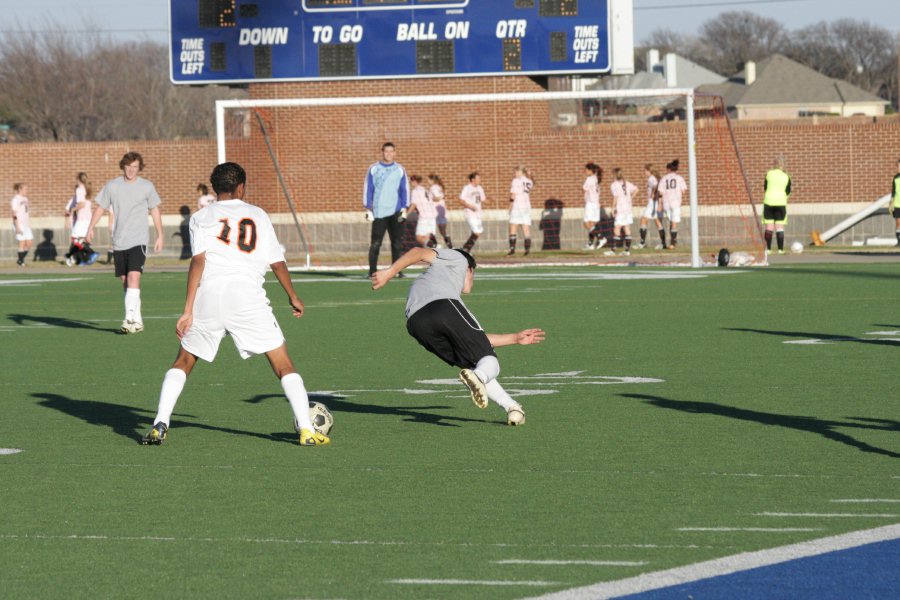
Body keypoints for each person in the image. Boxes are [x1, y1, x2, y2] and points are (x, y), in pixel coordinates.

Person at [140, 162, 329, 447]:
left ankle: (159, 424)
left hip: (209, 298)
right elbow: (277, 262)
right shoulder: (258, 215)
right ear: (241, 187)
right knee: (283, 364)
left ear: (215, 189)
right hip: (248, 299)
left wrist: (188, 310)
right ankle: (306, 431)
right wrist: (293, 296)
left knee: (184, 361)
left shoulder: (201, 217)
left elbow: (198, 262)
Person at [371, 246, 545, 426]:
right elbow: (418, 252)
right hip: (442, 306)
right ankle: (481, 378)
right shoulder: (458, 258)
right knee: (487, 362)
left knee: (474, 364)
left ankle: (512, 408)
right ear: (469, 269)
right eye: (473, 274)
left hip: (417, 325)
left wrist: (515, 338)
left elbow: (477, 340)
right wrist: (389, 272)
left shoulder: (431, 281)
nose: (472, 279)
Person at [86, 152, 165, 334]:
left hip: (139, 240)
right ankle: (137, 319)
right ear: (123, 166)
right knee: (125, 282)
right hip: (119, 241)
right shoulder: (112, 186)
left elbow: (155, 210)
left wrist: (160, 234)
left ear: (139, 168)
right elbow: (100, 208)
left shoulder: (146, 186)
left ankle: (129, 318)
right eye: (128, 166)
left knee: (134, 277)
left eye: (135, 167)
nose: (131, 170)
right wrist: (90, 227)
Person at [363, 142, 410, 277]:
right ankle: (372, 271)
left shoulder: (400, 169)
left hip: (396, 211)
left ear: (395, 153)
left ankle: (396, 271)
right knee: (376, 243)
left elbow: (404, 189)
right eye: (386, 151)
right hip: (379, 212)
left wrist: (404, 207)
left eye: (391, 151)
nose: (388, 154)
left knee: (397, 243)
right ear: (382, 152)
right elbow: (369, 188)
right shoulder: (374, 169)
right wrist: (368, 208)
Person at [64, 172, 99, 266]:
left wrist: (73, 209)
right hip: (87, 219)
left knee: (74, 239)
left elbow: (82, 204)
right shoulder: (87, 189)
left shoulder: (79, 189)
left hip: (82, 219)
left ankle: (91, 253)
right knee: (82, 240)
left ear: (78, 179)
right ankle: (83, 259)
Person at [762, 155, 792, 254]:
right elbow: (788, 191)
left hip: (768, 202)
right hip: (780, 203)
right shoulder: (786, 176)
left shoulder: (768, 174)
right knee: (779, 227)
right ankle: (780, 250)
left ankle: (768, 250)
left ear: (774, 164)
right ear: (784, 165)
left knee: (769, 227)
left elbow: (765, 188)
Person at [605, 168, 637, 257]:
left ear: (614, 175)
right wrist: (630, 198)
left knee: (617, 227)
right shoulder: (626, 183)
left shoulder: (614, 185)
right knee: (626, 227)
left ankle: (613, 250)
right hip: (628, 209)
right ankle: (627, 251)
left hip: (621, 208)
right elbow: (636, 190)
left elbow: (615, 197)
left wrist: (612, 208)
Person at [658, 159, 687, 249]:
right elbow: (684, 190)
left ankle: (673, 240)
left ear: (668, 169)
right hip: (676, 202)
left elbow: (660, 193)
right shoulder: (679, 178)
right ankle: (673, 243)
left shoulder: (663, 178)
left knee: (671, 222)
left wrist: (660, 203)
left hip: (667, 203)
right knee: (674, 223)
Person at [638, 164, 666, 250]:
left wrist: (653, 193)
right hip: (655, 202)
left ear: (650, 171)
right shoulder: (655, 178)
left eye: (646, 171)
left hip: (653, 202)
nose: (645, 172)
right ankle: (663, 243)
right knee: (657, 221)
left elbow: (655, 186)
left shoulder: (651, 178)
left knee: (644, 219)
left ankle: (642, 243)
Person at [508, 166, 534, 256]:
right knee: (526, 229)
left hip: (517, 207)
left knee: (513, 228)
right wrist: (530, 175)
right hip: (526, 207)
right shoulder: (528, 181)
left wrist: (510, 206)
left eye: (516, 172)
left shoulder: (516, 180)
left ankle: (512, 250)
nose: (515, 174)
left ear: (521, 172)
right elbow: (532, 183)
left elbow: (513, 195)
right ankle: (527, 250)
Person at [407, 175, 438, 248]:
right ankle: (429, 254)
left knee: (419, 237)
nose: (410, 183)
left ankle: (433, 245)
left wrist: (406, 214)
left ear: (414, 181)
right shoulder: (425, 190)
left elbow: (414, 204)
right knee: (426, 237)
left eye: (410, 181)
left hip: (424, 217)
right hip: (432, 216)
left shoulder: (415, 191)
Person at [459, 171, 486, 253]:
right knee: (476, 231)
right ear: (473, 179)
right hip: (470, 213)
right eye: (478, 178)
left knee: (478, 231)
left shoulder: (479, 188)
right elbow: (461, 200)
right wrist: (470, 206)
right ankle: (465, 249)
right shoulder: (467, 188)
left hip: (478, 214)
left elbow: (483, 199)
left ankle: (466, 249)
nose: (480, 180)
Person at [581, 162, 605, 250]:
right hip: (596, 203)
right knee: (592, 224)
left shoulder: (590, 179)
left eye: (586, 170)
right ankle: (590, 244)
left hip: (590, 203)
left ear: (591, 170)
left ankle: (601, 238)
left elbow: (584, 189)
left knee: (586, 224)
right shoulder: (596, 178)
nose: (585, 171)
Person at [10, 183, 33, 266]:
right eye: (25, 189)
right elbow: (14, 214)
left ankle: (20, 259)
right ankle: (21, 261)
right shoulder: (15, 199)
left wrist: (29, 223)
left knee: (30, 243)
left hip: (26, 224)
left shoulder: (26, 199)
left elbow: (26, 212)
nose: (27, 191)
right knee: (22, 243)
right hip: (19, 224)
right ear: (20, 189)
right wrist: (17, 227)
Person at [428, 173, 452, 249]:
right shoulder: (439, 187)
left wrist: (429, 199)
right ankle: (451, 247)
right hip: (442, 209)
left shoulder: (433, 187)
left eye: (428, 180)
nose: (428, 181)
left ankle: (436, 246)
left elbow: (437, 198)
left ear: (432, 180)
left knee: (430, 229)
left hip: (437, 209)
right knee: (442, 231)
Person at [892, 159, 900, 246]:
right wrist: (891, 202)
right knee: (898, 223)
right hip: (897, 204)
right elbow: (893, 191)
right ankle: (898, 241)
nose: (897, 168)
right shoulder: (895, 178)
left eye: (898, 166)